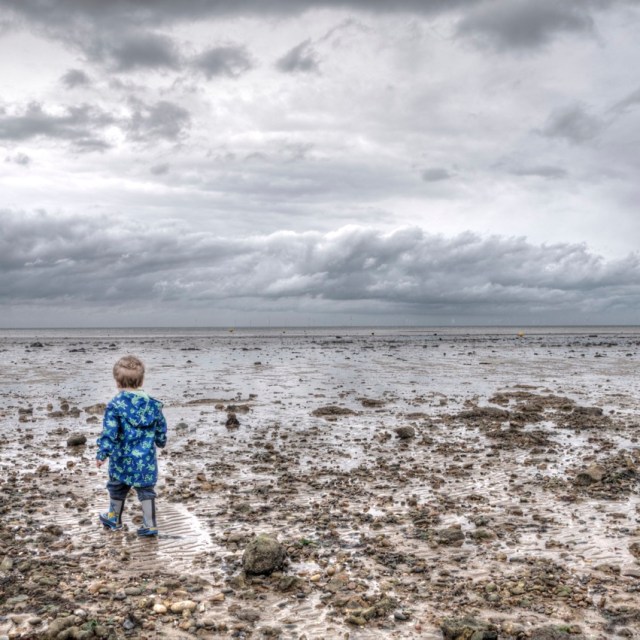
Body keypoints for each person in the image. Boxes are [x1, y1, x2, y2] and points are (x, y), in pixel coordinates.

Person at [96, 355, 167, 536]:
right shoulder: (153, 405)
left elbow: (110, 432)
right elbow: (160, 426)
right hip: (145, 460)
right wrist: (161, 441)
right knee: (146, 489)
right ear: (141, 381)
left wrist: (102, 453)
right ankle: (150, 524)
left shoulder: (115, 405)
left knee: (117, 487)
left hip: (122, 458)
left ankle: (114, 518)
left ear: (117, 382)